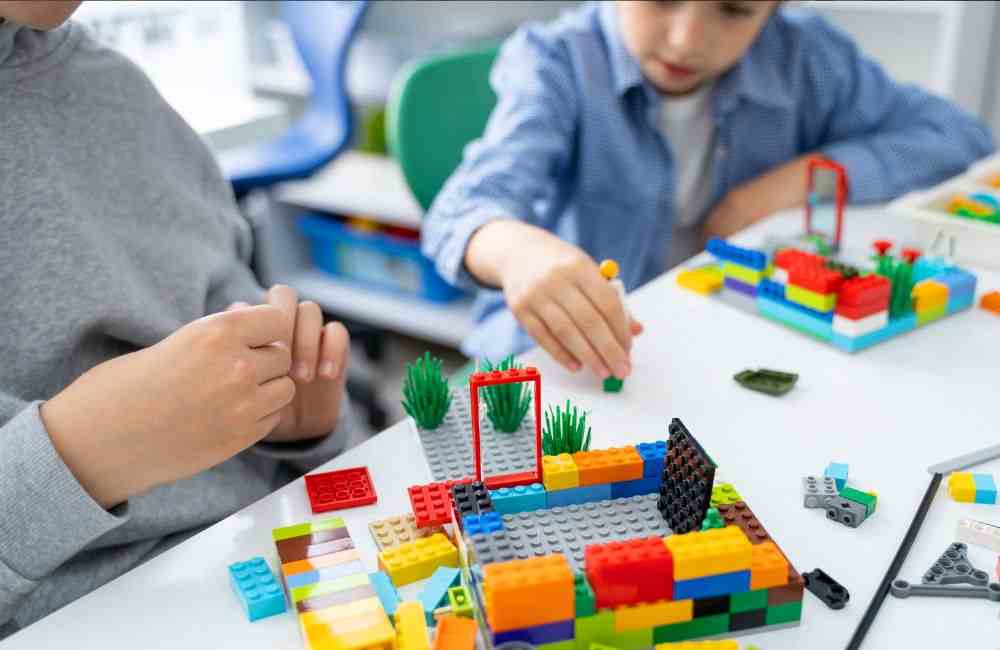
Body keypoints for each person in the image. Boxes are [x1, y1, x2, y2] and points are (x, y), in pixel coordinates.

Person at [0, 1, 353, 636]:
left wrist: (288, 421)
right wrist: (80, 456)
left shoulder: (114, 89)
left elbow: (228, 298)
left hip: (270, 560)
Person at [422, 0, 995, 380]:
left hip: (718, 347)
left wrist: (803, 178)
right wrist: (514, 249)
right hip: (563, 366)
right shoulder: (556, 62)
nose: (686, 39)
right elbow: (462, 210)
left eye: (735, 9)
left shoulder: (807, 55)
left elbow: (959, 134)